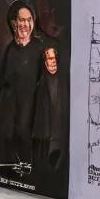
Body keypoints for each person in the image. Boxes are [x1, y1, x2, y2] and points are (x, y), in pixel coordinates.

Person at [0, 0, 43, 172]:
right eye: (21, 20)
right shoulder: (10, 49)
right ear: (14, 23)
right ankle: (10, 164)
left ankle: (26, 165)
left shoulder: (39, 48)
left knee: (23, 130)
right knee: (6, 130)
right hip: (9, 101)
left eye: (29, 20)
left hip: (31, 103)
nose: (25, 24)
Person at [31, 42, 68, 189]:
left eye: (53, 59)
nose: (51, 62)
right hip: (45, 138)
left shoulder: (65, 82)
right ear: (44, 62)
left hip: (61, 137)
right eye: (48, 59)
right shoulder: (40, 85)